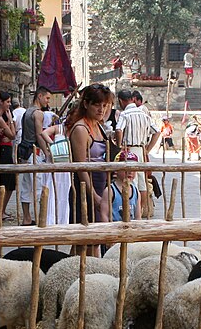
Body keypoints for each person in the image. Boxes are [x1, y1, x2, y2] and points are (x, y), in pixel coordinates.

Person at [66, 84, 113, 233]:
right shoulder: (81, 129)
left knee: (97, 237)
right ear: (86, 104)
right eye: (97, 105)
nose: (101, 109)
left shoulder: (98, 126)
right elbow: (80, 167)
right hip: (86, 189)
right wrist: (94, 196)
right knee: (85, 238)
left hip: (101, 184)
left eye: (104, 105)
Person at [18, 86, 55, 225]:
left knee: (27, 186)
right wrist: (47, 151)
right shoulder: (38, 113)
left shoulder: (27, 111)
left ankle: (27, 218)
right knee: (38, 186)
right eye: (47, 98)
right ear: (39, 96)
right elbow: (39, 134)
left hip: (27, 153)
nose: (48, 101)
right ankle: (40, 217)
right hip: (34, 153)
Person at [119, 89, 158, 217]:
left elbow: (119, 129)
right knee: (142, 182)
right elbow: (156, 132)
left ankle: (131, 211)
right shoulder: (144, 115)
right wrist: (148, 148)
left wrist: (119, 144)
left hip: (129, 150)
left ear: (121, 101)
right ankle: (140, 212)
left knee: (131, 180)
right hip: (141, 150)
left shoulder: (125, 114)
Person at [0, 92, 18, 221]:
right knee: (5, 182)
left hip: (7, 148)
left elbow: (14, 132)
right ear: (1, 102)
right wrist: (10, 123)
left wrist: (11, 122)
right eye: (7, 102)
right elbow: (12, 135)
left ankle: (2, 210)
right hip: (2, 150)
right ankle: (0, 211)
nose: (9, 104)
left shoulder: (5, 116)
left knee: (10, 182)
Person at [110, 150, 142, 222]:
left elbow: (138, 215)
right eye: (126, 169)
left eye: (133, 169)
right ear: (116, 170)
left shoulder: (135, 191)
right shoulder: (110, 191)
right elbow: (104, 215)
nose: (130, 172)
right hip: (114, 230)